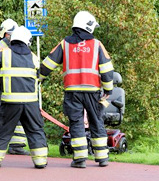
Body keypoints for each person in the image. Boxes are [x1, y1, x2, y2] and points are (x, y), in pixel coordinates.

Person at [39, 11, 114, 168]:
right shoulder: (97, 44)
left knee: (76, 123)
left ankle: (79, 159)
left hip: (72, 91)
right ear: (89, 27)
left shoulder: (65, 44)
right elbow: (107, 70)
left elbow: (47, 64)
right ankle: (102, 158)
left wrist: (36, 80)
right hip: (93, 91)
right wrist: (108, 90)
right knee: (96, 121)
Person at [0, 26, 48, 169]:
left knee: (3, 130)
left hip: (10, 102)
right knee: (35, 130)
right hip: (31, 103)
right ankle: (40, 160)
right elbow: (39, 76)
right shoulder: (33, 57)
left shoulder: (4, 53)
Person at [0, 19, 29, 155]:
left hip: (11, 88)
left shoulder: (12, 48)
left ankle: (16, 145)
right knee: (1, 118)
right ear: (7, 34)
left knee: (17, 115)